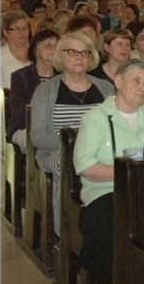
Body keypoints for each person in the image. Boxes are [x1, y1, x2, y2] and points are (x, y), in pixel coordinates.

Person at [74, 59, 144, 284]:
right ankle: (115, 283)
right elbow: (86, 166)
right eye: (136, 81)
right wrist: (129, 173)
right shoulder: (95, 118)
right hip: (105, 192)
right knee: (111, 219)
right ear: (118, 81)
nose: (142, 87)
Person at [30, 32, 115, 235]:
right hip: (57, 151)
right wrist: (75, 144)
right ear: (60, 55)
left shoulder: (105, 88)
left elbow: (115, 127)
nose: (79, 57)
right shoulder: (45, 91)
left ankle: (110, 221)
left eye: (85, 52)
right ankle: (66, 231)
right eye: (72, 52)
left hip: (99, 151)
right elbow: (38, 137)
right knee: (66, 162)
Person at [8, 29, 59, 152]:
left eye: (56, 46)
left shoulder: (64, 76)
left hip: (57, 126)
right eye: (47, 45)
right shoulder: (21, 77)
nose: (53, 49)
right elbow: (19, 114)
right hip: (26, 127)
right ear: (35, 50)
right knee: (37, 140)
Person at [0, 10, 31, 89]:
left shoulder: (37, 52)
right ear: (6, 32)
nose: (22, 32)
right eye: (17, 29)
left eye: (25, 28)